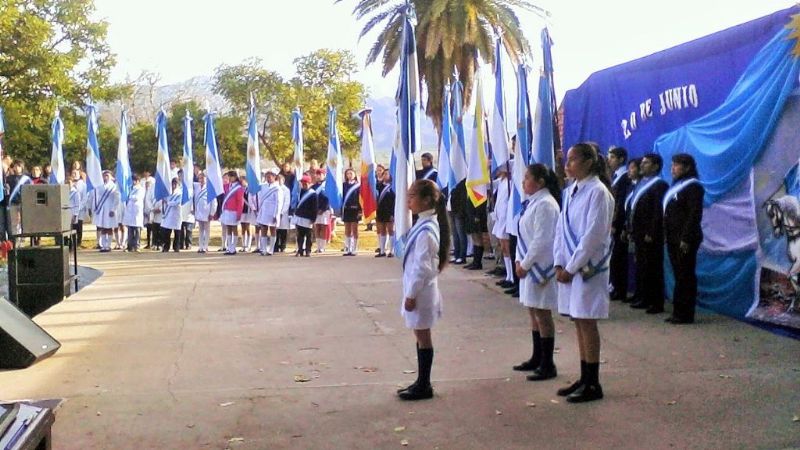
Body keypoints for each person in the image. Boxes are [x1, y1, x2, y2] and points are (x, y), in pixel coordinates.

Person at [553, 142, 614, 403]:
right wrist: (558, 262)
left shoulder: (598, 192)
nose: (567, 166)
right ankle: (583, 374)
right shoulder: (570, 192)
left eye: (573, 160)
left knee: (587, 321)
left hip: (588, 268)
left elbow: (593, 236)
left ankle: (593, 382)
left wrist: (571, 266)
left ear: (589, 162)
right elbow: (560, 229)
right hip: (569, 266)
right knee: (578, 319)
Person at [397, 179, 451, 401]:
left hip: (421, 292)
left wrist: (411, 294)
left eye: (412, 196)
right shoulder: (423, 223)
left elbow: (423, 267)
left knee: (423, 335)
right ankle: (420, 380)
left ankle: (424, 384)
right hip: (418, 289)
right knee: (419, 334)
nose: (408, 201)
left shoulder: (427, 229)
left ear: (426, 200)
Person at [514, 164, 561, 382]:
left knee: (542, 314)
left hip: (540, 266)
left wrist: (526, 263)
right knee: (533, 311)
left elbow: (542, 239)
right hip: (527, 263)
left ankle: (547, 362)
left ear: (540, 182)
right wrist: (518, 259)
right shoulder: (533, 203)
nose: (524, 182)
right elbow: (522, 233)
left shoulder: (546, 204)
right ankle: (537, 356)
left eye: (527, 178)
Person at [664, 154, 704, 324]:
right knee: (679, 275)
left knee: (685, 276)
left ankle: (685, 314)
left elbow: (693, 215)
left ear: (688, 167)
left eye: (677, 165)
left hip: (685, 239)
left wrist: (686, 238)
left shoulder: (693, 187)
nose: (673, 168)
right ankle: (678, 311)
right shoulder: (678, 185)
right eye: (672, 165)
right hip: (674, 237)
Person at [627, 153, 669, 314]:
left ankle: (656, 302)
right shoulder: (640, 184)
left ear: (656, 166)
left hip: (650, 234)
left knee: (653, 268)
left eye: (646, 163)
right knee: (642, 266)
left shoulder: (659, 185)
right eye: (642, 163)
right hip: (638, 231)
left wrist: (652, 231)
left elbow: (658, 212)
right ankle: (643, 297)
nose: (642, 166)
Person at [608, 147, 632, 301]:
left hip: (618, 223)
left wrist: (616, 223)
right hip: (612, 222)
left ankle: (620, 289)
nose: (609, 161)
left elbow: (621, 204)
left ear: (621, 159)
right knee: (614, 258)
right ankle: (615, 287)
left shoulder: (624, 178)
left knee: (619, 257)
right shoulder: (615, 176)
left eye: (612, 157)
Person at [256, 168, 284, 255]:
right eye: (267, 176)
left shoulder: (277, 188)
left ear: (274, 177)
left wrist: (276, 214)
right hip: (264, 211)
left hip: (272, 211)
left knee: (272, 229)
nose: (268, 178)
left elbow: (279, 202)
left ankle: (271, 249)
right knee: (263, 229)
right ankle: (263, 249)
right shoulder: (263, 186)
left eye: (270, 176)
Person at [93, 170, 119, 252]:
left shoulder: (114, 187)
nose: (106, 177)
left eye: (107, 175)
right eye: (104, 175)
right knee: (103, 228)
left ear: (111, 177)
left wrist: (113, 209)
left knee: (109, 228)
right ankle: (103, 245)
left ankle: (108, 245)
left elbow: (117, 199)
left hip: (110, 209)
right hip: (102, 210)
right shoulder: (100, 187)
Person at [219, 170, 245, 255]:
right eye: (228, 176)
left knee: (234, 229)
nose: (229, 178)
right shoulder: (227, 186)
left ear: (235, 177)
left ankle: (233, 248)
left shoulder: (239, 188)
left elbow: (240, 202)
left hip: (234, 211)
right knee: (228, 229)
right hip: (227, 210)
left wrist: (239, 213)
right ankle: (229, 247)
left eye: (231, 176)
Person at [294, 175, 317, 257]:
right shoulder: (300, 192)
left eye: (306, 183)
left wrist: (313, 218)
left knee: (308, 236)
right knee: (300, 235)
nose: (304, 185)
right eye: (302, 183)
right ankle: (300, 250)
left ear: (309, 183)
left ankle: (308, 250)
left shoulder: (313, 194)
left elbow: (314, 207)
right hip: (300, 216)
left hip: (308, 217)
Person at [193, 172, 216, 254]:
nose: (201, 180)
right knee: (200, 230)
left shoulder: (210, 188)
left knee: (207, 230)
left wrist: (212, 213)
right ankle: (200, 246)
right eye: (200, 178)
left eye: (202, 178)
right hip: (199, 211)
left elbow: (214, 202)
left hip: (207, 211)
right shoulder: (197, 186)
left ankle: (205, 246)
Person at [341, 168, 361, 256]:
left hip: (355, 209)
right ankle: (348, 248)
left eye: (351, 173)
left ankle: (355, 248)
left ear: (355, 174)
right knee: (347, 229)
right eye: (348, 173)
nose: (349, 175)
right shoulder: (343, 185)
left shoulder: (358, 185)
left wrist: (360, 210)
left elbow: (360, 198)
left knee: (355, 229)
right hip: (346, 209)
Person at [375, 170, 396, 258]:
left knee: (390, 230)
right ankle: (382, 250)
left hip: (390, 211)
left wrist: (393, 213)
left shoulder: (393, 187)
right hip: (380, 211)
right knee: (382, 230)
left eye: (387, 174)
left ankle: (391, 250)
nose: (385, 175)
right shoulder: (378, 186)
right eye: (384, 174)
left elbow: (395, 201)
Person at [123, 174, 145, 252]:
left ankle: (137, 246)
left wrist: (130, 197)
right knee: (130, 230)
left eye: (135, 180)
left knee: (137, 230)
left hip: (136, 211)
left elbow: (137, 197)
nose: (133, 182)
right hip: (130, 211)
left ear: (138, 181)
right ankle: (130, 246)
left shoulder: (141, 189)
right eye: (133, 180)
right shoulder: (130, 188)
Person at [160, 177, 183, 253]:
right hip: (168, 214)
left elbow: (177, 202)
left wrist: (168, 203)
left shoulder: (180, 192)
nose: (174, 185)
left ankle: (176, 247)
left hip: (176, 214)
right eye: (173, 183)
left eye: (176, 183)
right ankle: (166, 247)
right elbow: (164, 200)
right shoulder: (168, 192)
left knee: (177, 232)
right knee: (167, 232)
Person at [449, 178, 468, 265]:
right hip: (450, 209)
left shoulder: (461, 182)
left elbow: (463, 198)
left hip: (458, 211)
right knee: (455, 234)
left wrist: (461, 211)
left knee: (461, 234)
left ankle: (462, 256)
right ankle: (456, 254)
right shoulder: (449, 179)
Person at [313, 169, 331, 253]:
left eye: (320, 174)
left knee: (323, 228)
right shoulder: (313, 186)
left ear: (324, 175)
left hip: (325, 210)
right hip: (316, 210)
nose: (318, 176)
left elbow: (328, 198)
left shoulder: (327, 185)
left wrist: (323, 209)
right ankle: (318, 246)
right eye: (317, 174)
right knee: (317, 228)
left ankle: (322, 247)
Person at [275, 173, 291, 252]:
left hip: (283, 213)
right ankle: (275, 246)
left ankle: (283, 246)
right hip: (275, 212)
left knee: (283, 230)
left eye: (280, 179)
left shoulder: (286, 190)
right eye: (277, 179)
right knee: (276, 230)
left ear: (283, 181)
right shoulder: (274, 188)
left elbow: (287, 202)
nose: (278, 181)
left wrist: (282, 212)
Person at [240, 178, 256, 252]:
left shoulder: (249, 189)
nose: (241, 182)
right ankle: (244, 245)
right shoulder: (240, 189)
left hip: (248, 210)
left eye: (242, 181)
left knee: (248, 227)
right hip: (241, 210)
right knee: (242, 227)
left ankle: (248, 245)